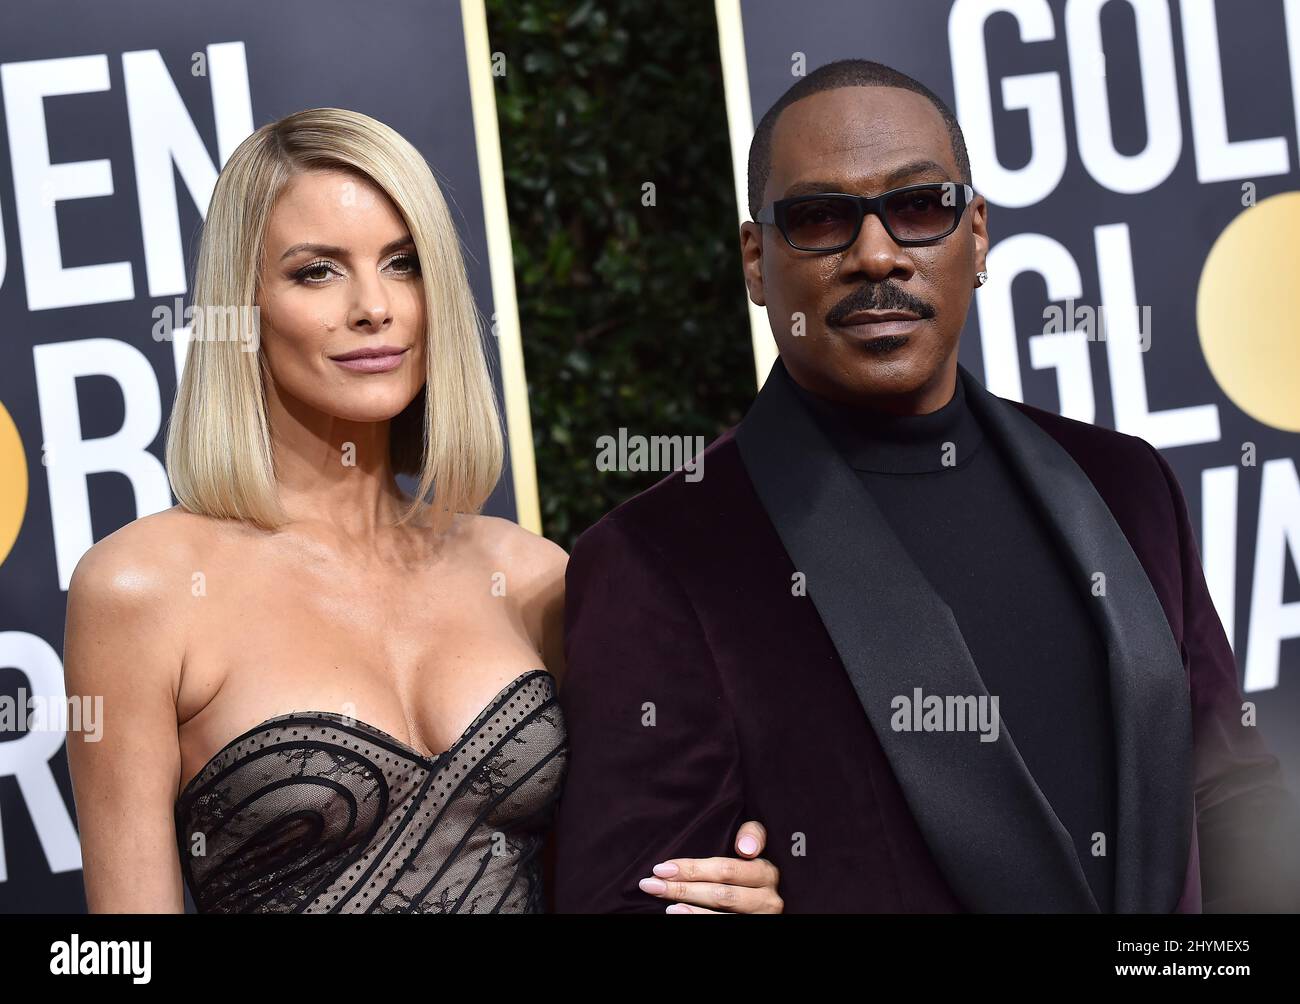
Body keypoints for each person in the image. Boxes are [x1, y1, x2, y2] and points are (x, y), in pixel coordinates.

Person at [552, 60, 1300, 913]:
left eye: (917, 207)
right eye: (821, 218)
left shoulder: (1125, 481)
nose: (876, 254)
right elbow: (629, 898)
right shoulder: (661, 557)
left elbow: (1229, 796)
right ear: (757, 263)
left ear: (975, 235)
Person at [62, 107, 781, 914]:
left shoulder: (533, 575)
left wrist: (719, 883)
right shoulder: (142, 590)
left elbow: (619, 866)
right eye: (316, 271)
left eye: (403, 264)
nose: (375, 306)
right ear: (242, 308)